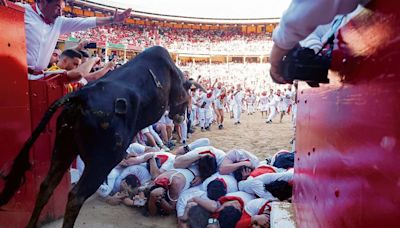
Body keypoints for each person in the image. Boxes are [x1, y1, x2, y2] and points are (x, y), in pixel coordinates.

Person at [16, 0, 131, 78]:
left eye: (62, 9)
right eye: (57, 7)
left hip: (41, 77)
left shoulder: (59, 22)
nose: (60, 13)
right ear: (43, 2)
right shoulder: (19, 11)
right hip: (16, 75)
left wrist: (111, 19)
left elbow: (85, 22)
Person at [269, 0, 361, 84]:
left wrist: (281, 44)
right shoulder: (335, 15)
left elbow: (314, 6)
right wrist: (310, 52)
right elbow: (313, 30)